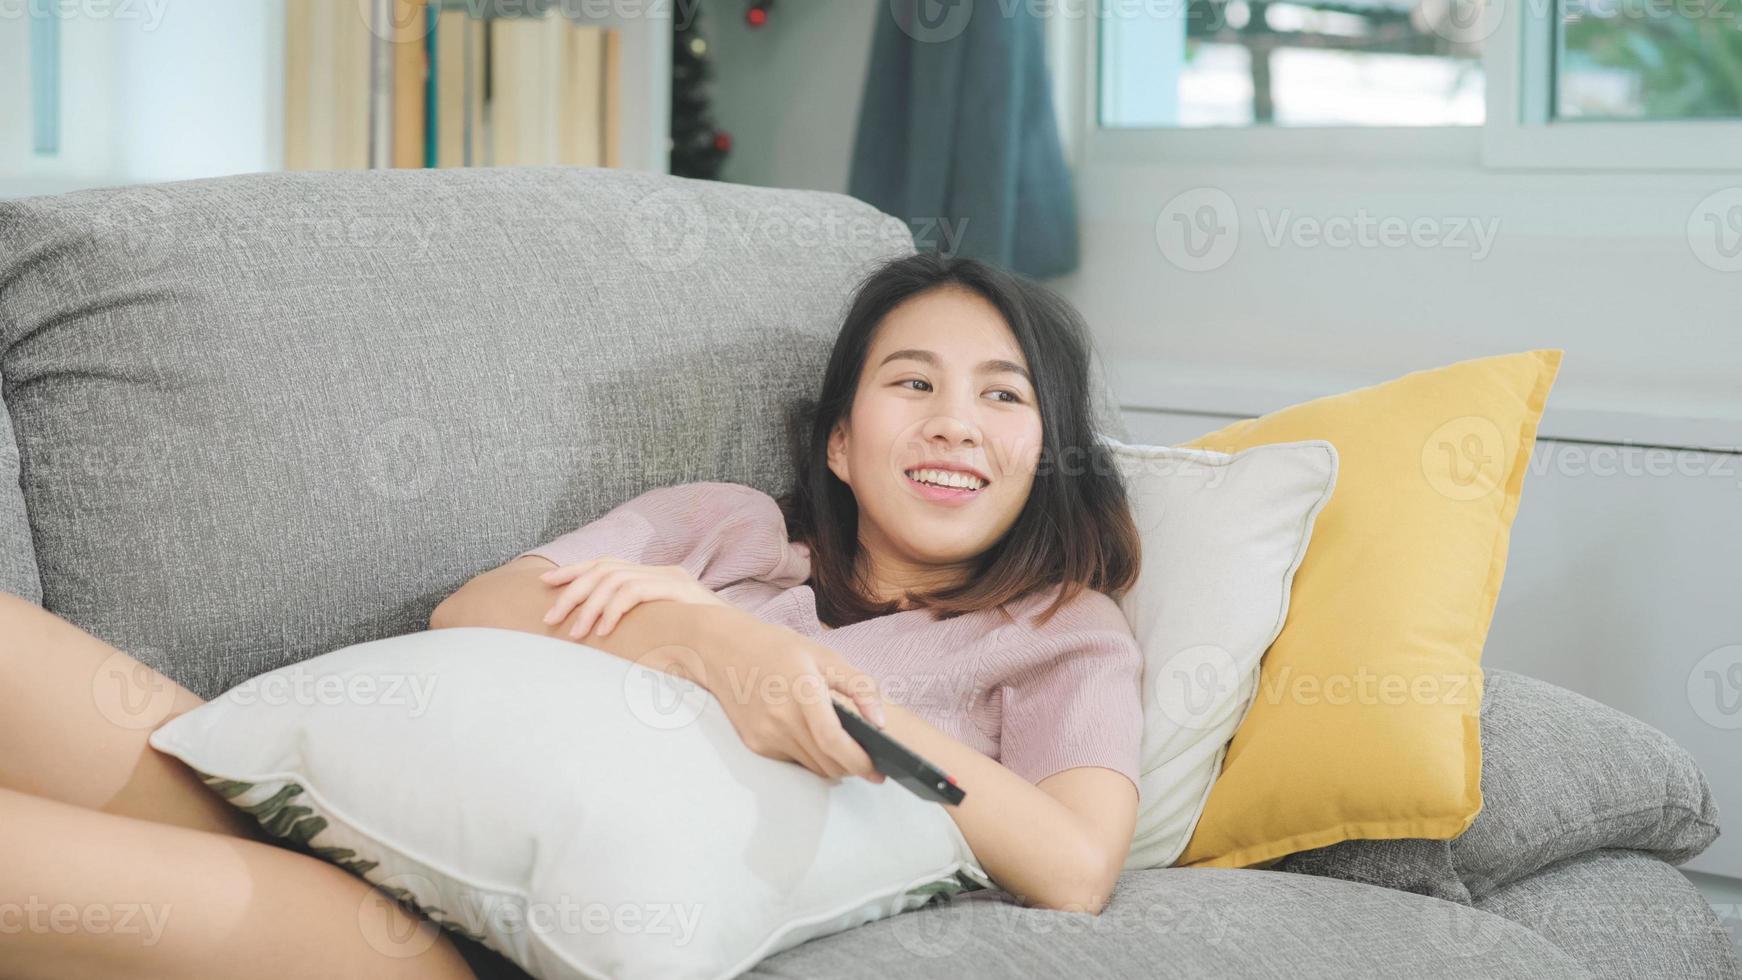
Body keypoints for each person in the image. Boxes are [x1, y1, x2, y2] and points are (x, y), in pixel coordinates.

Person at [0, 252, 1141, 979]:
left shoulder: (1058, 630)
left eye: (1002, 393)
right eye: (911, 382)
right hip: (315, 800)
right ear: (840, 441)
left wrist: (819, 696)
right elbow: (476, 612)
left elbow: (1072, 860)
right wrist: (707, 637)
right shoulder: (726, 526)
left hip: (438, 936)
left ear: (1048, 449)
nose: (953, 422)